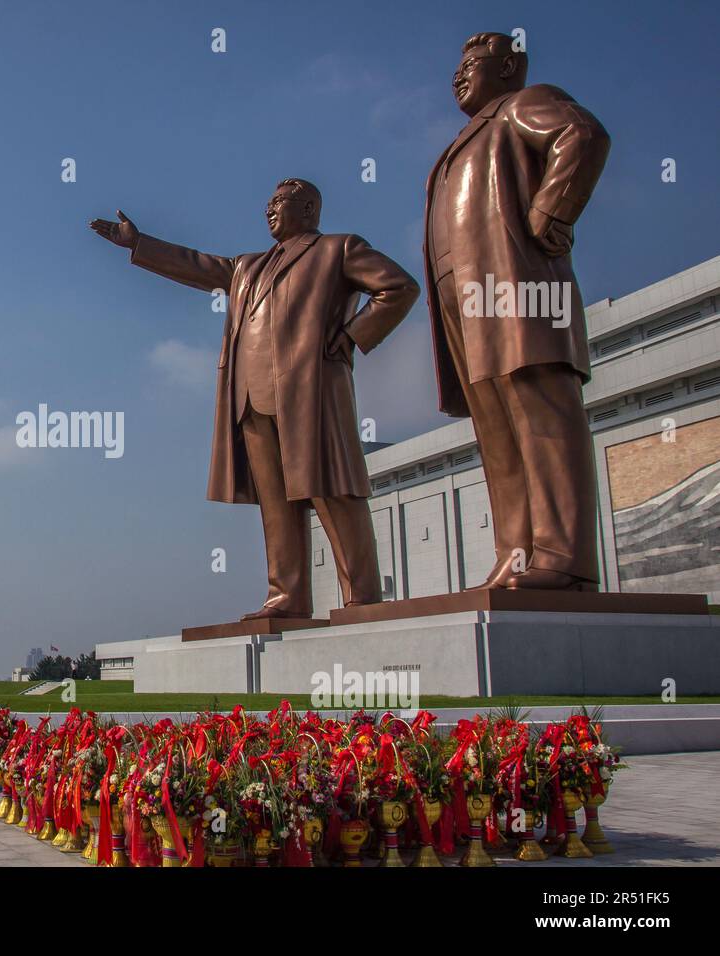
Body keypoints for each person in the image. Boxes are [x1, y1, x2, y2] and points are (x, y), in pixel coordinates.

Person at [91, 179, 418, 618]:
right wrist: (140, 244)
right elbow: (198, 265)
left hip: (308, 391)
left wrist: (351, 337)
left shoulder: (337, 249)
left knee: (332, 490)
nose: (269, 211)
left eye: (279, 203)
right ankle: (286, 596)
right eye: (267, 204)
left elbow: (398, 287)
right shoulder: (247, 267)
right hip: (250, 397)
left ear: (308, 209)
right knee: (276, 505)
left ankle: (361, 597)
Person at [422, 31, 610, 590]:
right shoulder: (465, 138)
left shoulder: (522, 105)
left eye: (474, 64)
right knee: (496, 425)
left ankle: (563, 555)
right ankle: (517, 553)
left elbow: (583, 133)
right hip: (465, 292)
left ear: (508, 70)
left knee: (539, 407)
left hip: (519, 281)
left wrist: (552, 211)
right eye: (456, 67)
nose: (459, 75)